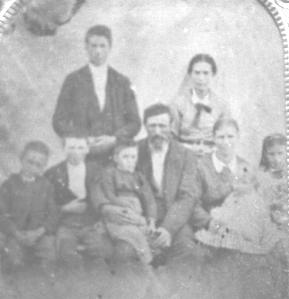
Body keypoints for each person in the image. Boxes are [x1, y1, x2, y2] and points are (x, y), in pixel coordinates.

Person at [188, 118, 288, 299]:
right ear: (213, 138)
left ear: (238, 137)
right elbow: (192, 204)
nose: (226, 142)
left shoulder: (246, 166)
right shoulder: (200, 166)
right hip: (212, 224)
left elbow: (256, 202)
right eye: (221, 137)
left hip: (244, 225)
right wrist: (211, 223)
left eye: (230, 136)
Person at [52, 25, 141, 165]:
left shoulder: (122, 82)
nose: (98, 51)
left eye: (102, 46)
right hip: (83, 156)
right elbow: (59, 121)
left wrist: (114, 139)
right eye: (93, 46)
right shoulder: (73, 80)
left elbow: (135, 123)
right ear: (86, 47)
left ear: (110, 47)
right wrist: (82, 138)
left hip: (115, 157)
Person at [133, 103, 201, 264]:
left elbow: (187, 197)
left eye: (162, 126)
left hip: (173, 219)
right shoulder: (133, 152)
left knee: (187, 251)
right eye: (152, 126)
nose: (157, 131)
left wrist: (167, 229)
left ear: (171, 126)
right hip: (142, 219)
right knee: (130, 254)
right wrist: (142, 224)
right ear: (145, 126)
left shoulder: (186, 155)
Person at [0, 141, 57, 274]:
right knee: (13, 260)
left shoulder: (47, 186)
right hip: (15, 233)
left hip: (40, 234)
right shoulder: (9, 185)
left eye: (38, 165)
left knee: (49, 258)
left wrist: (39, 232)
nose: (32, 167)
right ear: (21, 159)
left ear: (44, 167)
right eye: (29, 162)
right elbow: (2, 214)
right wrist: (16, 233)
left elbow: (53, 214)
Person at [95, 141, 157, 264]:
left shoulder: (139, 176)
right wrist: (126, 205)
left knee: (148, 236)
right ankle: (148, 263)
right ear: (116, 158)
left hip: (137, 218)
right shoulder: (109, 173)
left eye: (133, 157)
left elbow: (149, 200)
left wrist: (151, 221)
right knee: (134, 236)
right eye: (126, 157)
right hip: (118, 218)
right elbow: (109, 195)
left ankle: (147, 264)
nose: (130, 161)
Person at [45, 137, 102, 268]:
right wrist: (64, 208)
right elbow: (44, 205)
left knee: (100, 253)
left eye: (80, 148)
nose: (76, 152)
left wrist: (100, 221)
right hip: (65, 224)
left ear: (87, 149)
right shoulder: (52, 173)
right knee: (67, 254)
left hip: (92, 223)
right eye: (71, 147)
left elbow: (104, 199)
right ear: (64, 149)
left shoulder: (97, 170)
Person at [171, 54, 228, 156]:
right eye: (197, 73)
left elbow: (226, 137)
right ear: (190, 74)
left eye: (206, 73)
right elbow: (172, 136)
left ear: (213, 74)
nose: (201, 78)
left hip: (212, 156)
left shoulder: (221, 105)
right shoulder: (178, 103)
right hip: (184, 155)